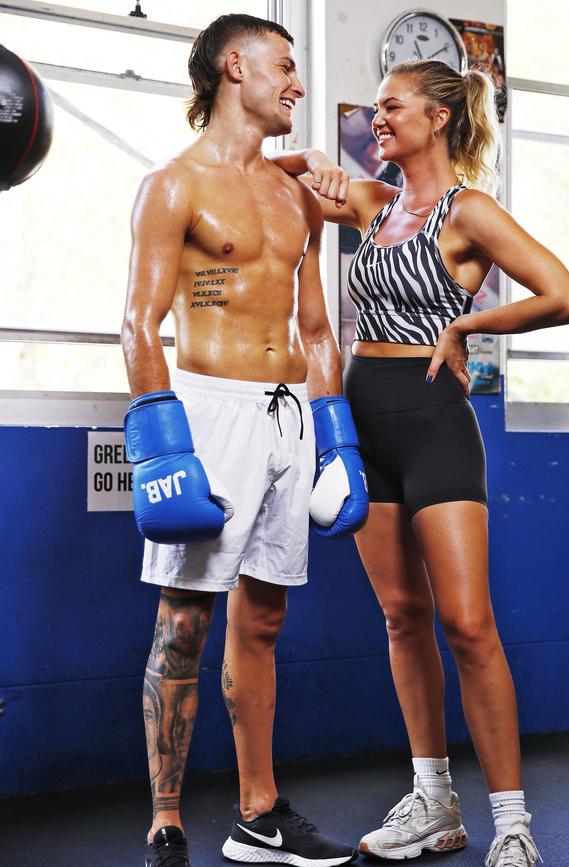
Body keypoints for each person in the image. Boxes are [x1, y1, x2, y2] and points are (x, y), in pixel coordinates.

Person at [270, 58, 569, 867]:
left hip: (435, 424)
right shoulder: (379, 206)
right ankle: (436, 801)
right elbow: (305, 169)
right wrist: (233, 158)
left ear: (438, 117)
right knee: (401, 617)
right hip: (361, 426)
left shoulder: (467, 211)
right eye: (375, 109)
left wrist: (466, 328)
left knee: (468, 625)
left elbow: (566, 294)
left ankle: (512, 824)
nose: (376, 119)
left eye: (391, 107)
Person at [121, 14, 367, 867]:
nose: (298, 82)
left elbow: (319, 327)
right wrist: (162, 450)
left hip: (289, 409)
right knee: (185, 619)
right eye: (286, 65)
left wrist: (337, 439)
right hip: (207, 409)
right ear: (235, 66)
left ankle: (258, 812)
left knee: (262, 619)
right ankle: (165, 814)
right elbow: (137, 326)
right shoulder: (172, 185)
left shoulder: (301, 193)